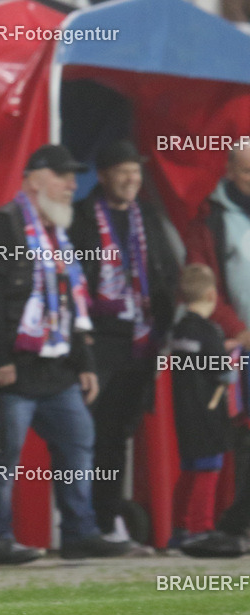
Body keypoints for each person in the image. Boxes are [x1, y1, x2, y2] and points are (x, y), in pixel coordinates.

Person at [0, 144, 139, 565]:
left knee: (79, 440)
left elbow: (71, 304)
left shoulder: (57, 232)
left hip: (54, 371)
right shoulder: (2, 226)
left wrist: (85, 364)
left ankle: (79, 533)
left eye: (74, 176)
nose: (73, 184)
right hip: (1, 372)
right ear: (34, 179)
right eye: (63, 175)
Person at [68, 140, 178, 548]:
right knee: (85, 436)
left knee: (117, 437)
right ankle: (78, 523)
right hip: (98, 341)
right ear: (103, 175)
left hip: (140, 342)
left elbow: (166, 269)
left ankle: (107, 518)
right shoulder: (80, 218)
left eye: (137, 170)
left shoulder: (146, 216)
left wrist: (164, 324)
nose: (132, 178)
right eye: (123, 170)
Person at [180, 145, 250, 558]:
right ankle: (227, 527)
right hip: (236, 349)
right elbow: (201, 284)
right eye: (245, 171)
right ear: (229, 171)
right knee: (240, 441)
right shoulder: (211, 220)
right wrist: (240, 332)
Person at [169, 265, 234, 547]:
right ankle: (201, 528)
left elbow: (193, 360)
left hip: (184, 410)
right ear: (212, 294)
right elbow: (220, 369)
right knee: (208, 468)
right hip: (208, 412)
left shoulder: (180, 330)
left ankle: (180, 528)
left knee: (190, 469)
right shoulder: (209, 332)